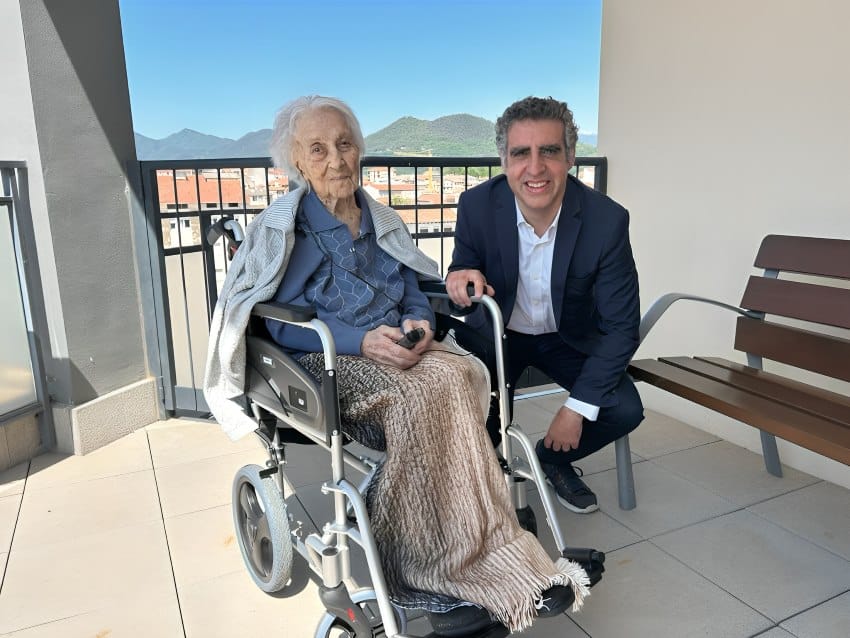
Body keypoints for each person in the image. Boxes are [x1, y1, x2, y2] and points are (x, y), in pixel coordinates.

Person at [203, 95, 590, 635]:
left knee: (462, 373)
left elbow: (412, 283)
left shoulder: (379, 216)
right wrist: (362, 341)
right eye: (318, 149)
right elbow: (272, 320)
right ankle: (431, 572)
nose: (336, 160)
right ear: (296, 161)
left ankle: (495, 551)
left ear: (359, 148)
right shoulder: (283, 230)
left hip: (400, 348)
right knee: (419, 399)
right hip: (329, 359)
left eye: (344, 144)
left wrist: (419, 324)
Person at [446, 96, 644, 515]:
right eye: (521, 153)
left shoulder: (606, 221)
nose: (534, 168)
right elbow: (463, 265)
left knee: (623, 408)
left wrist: (575, 408)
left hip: (567, 338)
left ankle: (550, 459)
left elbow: (622, 326)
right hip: (499, 337)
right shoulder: (477, 206)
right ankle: (487, 485)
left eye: (549, 151)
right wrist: (461, 276)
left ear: (570, 157)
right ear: (504, 159)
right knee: (475, 427)